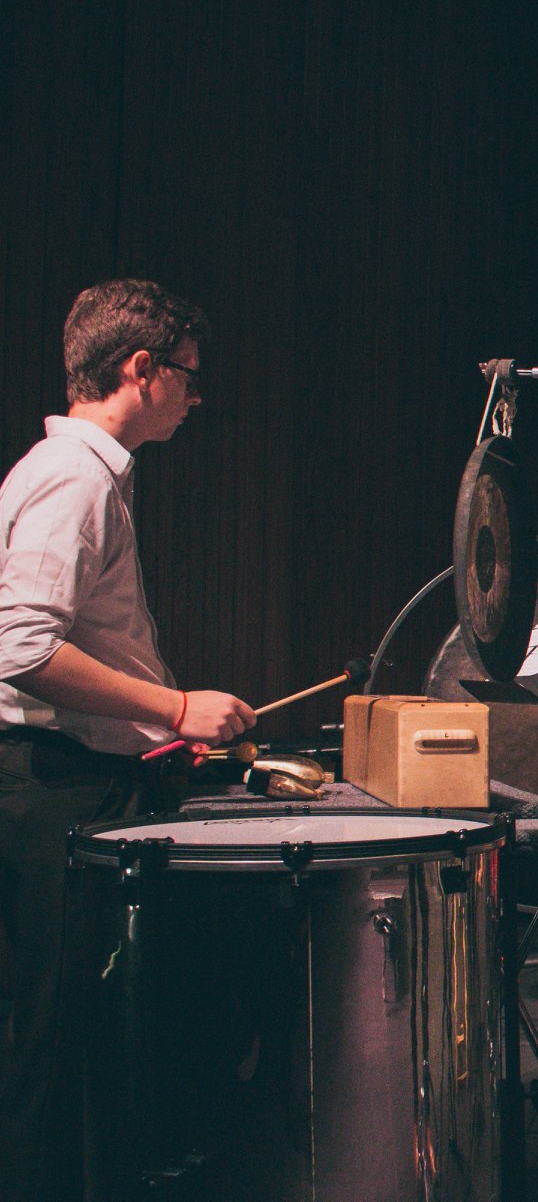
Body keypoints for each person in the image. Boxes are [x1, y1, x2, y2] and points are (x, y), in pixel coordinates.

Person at [0, 279, 255, 1200]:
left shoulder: (83, 473)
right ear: (140, 369)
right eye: (188, 376)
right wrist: (176, 707)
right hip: (56, 788)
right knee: (54, 1049)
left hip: (70, 776)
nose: (196, 395)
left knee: (72, 1041)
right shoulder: (74, 477)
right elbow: (21, 646)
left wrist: (157, 720)